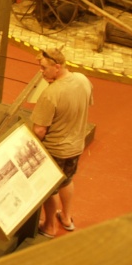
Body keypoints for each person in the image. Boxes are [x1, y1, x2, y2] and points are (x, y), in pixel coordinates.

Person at [32, 47, 93, 238]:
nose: (41, 72)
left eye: (43, 68)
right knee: (67, 180)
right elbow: (87, 103)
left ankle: (49, 226)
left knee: (50, 190)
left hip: (55, 150)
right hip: (75, 147)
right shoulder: (83, 80)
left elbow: (39, 130)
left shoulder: (51, 93)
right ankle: (66, 218)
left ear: (56, 67)